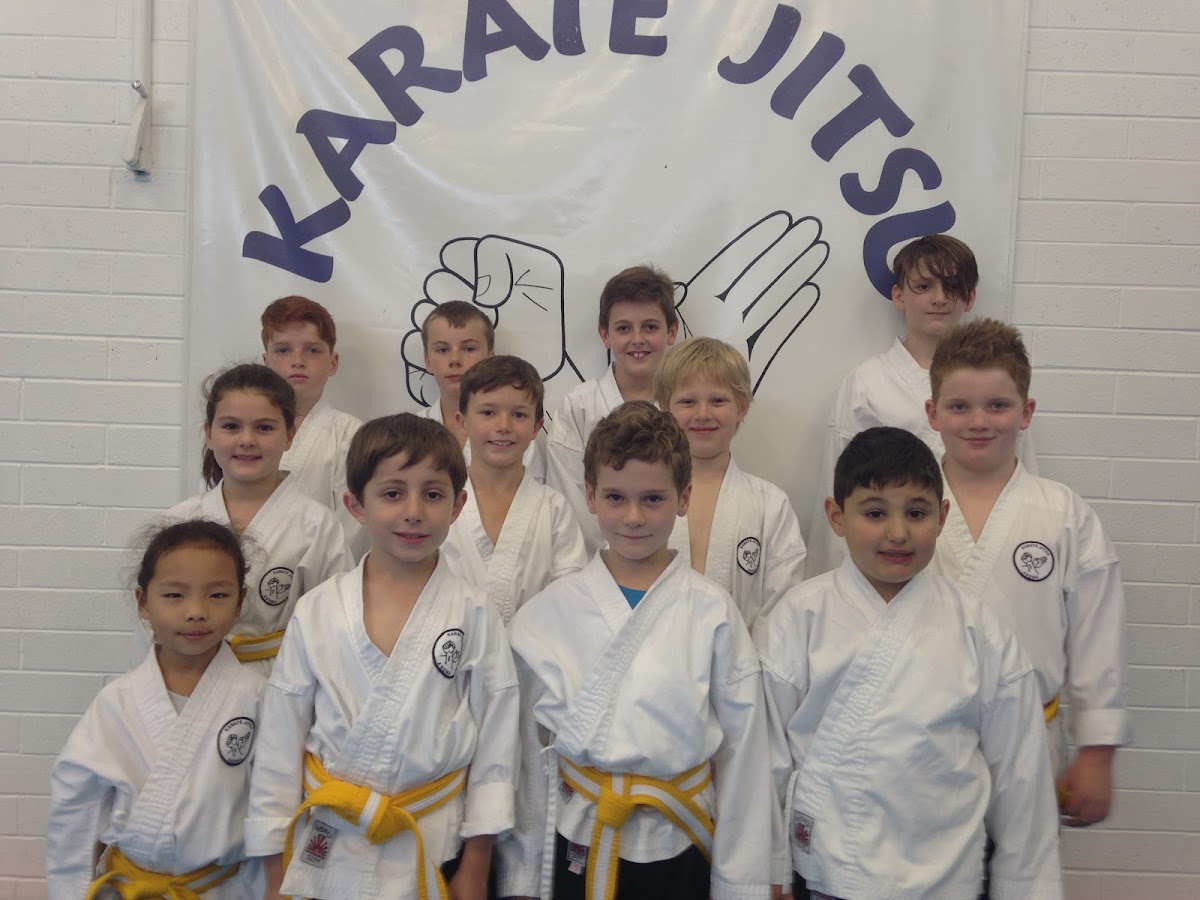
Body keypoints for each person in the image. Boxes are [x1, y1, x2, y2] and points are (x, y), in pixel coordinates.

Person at [756, 426, 1062, 899]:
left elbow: (1021, 775)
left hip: (950, 870)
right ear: (836, 517)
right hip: (833, 871)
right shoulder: (799, 617)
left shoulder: (979, 627)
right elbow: (765, 758)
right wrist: (767, 870)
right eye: (875, 513)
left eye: (916, 513)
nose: (898, 532)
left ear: (941, 518)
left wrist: (1025, 887)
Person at [499, 401, 777, 900]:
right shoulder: (544, 618)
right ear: (589, 495)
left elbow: (744, 754)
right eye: (615, 498)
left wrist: (744, 882)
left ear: (684, 497)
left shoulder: (713, 612)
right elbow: (522, 760)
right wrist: (520, 876)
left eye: (653, 499)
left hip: (681, 838)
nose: (633, 517)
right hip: (578, 836)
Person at [246, 413, 520, 900]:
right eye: (392, 493)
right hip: (331, 846)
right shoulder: (317, 610)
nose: (413, 511)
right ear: (355, 504)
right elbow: (278, 746)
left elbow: (497, 745)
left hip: (433, 841)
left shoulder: (475, 612)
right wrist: (273, 869)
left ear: (458, 505)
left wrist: (477, 863)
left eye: (433, 494)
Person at [926, 318, 1132, 827]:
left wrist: (1096, 751)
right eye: (959, 406)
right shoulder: (902, 505)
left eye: (998, 405)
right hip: (918, 740)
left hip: (1029, 742)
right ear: (932, 413)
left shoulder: (1062, 514)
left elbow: (1097, 636)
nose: (979, 421)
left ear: (1026, 412)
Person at [48, 520, 266, 899]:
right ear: (143, 602)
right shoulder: (117, 702)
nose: (196, 611)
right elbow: (77, 812)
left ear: (240, 602)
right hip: (134, 888)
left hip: (226, 888)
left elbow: (275, 807)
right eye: (175, 596)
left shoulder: (258, 697)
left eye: (217, 595)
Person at [806, 234, 1036, 575]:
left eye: (952, 287)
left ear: (971, 298)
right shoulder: (867, 385)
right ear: (899, 295)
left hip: (985, 555)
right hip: (894, 561)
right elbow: (840, 487)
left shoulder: (996, 384)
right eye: (924, 286)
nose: (939, 298)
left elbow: (1022, 478)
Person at [135, 364, 353, 673]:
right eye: (231, 426)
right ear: (208, 434)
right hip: (191, 675)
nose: (247, 440)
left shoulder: (316, 525)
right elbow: (152, 622)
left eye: (264, 428)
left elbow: (335, 623)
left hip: (282, 680)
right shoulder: (179, 521)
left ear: (289, 435)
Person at [655, 337, 806, 629]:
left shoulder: (770, 505)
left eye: (718, 400)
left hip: (744, 666)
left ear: (742, 407)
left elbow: (785, 612)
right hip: (656, 667)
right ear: (664, 407)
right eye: (687, 401)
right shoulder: (643, 500)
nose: (702, 414)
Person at [440, 355, 587, 624]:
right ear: (462, 422)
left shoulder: (554, 509)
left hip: (534, 661)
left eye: (519, 415)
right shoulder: (439, 503)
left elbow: (571, 601)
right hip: (448, 657)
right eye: (487, 412)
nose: (503, 426)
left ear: (536, 427)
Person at [546, 265, 680, 555]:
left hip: (672, 562)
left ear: (671, 331)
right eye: (623, 328)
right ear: (604, 334)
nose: (637, 339)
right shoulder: (579, 407)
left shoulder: (687, 408)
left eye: (650, 326)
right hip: (596, 568)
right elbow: (568, 504)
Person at [260, 295, 365, 553]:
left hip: (321, 579)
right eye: (283, 350)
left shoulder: (351, 436)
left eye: (312, 350)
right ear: (266, 362)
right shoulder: (240, 430)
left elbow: (353, 525)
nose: (298, 360)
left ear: (333, 363)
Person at [420, 299, 546, 481]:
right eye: (442, 350)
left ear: (490, 357)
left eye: (469, 348)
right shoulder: (410, 435)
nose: (455, 359)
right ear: (427, 361)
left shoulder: (516, 435)